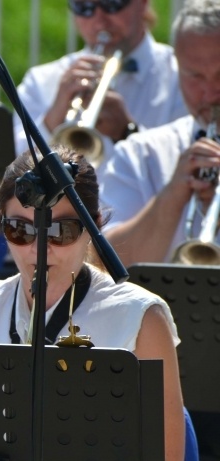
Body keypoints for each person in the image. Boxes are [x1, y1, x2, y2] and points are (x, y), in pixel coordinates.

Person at [0, 144, 200, 461]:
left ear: (93, 225)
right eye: (19, 230)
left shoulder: (143, 317)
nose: (37, 248)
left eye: (59, 230)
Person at [101, 0, 220, 266]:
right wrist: (171, 198)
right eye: (195, 76)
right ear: (177, 66)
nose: (211, 94)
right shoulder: (140, 154)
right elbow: (106, 267)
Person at [12, 0, 187, 164]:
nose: (99, 20)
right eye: (84, 6)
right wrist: (54, 117)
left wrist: (127, 131)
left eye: (112, 3)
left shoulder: (184, 76)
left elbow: (185, 167)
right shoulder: (41, 80)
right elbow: (13, 173)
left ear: (143, 3)